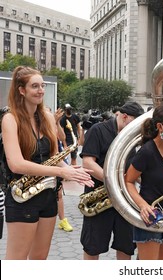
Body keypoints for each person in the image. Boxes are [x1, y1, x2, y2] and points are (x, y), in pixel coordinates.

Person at [2, 66, 93, 260]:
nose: (41, 90)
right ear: (21, 90)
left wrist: (69, 169)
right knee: (16, 260)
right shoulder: (10, 119)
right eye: (35, 86)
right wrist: (61, 173)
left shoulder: (47, 117)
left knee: (40, 259)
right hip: (22, 197)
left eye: (42, 85)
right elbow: (16, 164)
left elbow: (54, 155)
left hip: (48, 196)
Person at [80, 101, 144, 260]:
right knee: (92, 248)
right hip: (99, 197)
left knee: (126, 247)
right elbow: (88, 162)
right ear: (124, 117)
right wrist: (114, 183)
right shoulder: (97, 130)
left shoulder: (132, 137)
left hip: (125, 200)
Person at [124, 103, 163, 260]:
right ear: (160, 126)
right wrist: (143, 205)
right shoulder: (147, 151)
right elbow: (128, 181)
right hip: (150, 217)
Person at [47, 106, 74, 232]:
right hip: (43, 166)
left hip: (56, 163)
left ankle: (62, 220)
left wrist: (56, 122)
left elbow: (62, 138)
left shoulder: (53, 124)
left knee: (59, 193)